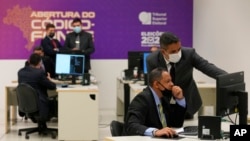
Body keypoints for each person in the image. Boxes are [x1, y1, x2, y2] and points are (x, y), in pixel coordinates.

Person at [146, 32, 227, 119]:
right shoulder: (152, 60)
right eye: (173, 51)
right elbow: (153, 85)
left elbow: (207, 67)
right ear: (163, 51)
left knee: (188, 129)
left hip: (186, 103)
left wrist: (227, 78)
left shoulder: (189, 54)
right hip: (164, 105)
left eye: (179, 49)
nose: (177, 53)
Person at [123, 67, 186, 137]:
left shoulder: (163, 99)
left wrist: (180, 99)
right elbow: (131, 125)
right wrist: (155, 131)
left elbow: (177, 123)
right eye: (168, 81)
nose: (172, 84)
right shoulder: (142, 99)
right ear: (156, 84)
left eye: (171, 81)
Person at [18, 53, 57, 123]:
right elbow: (52, 87)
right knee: (55, 100)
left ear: (29, 61)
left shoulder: (20, 72)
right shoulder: (39, 73)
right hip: (40, 104)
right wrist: (49, 79)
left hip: (26, 103)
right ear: (40, 62)